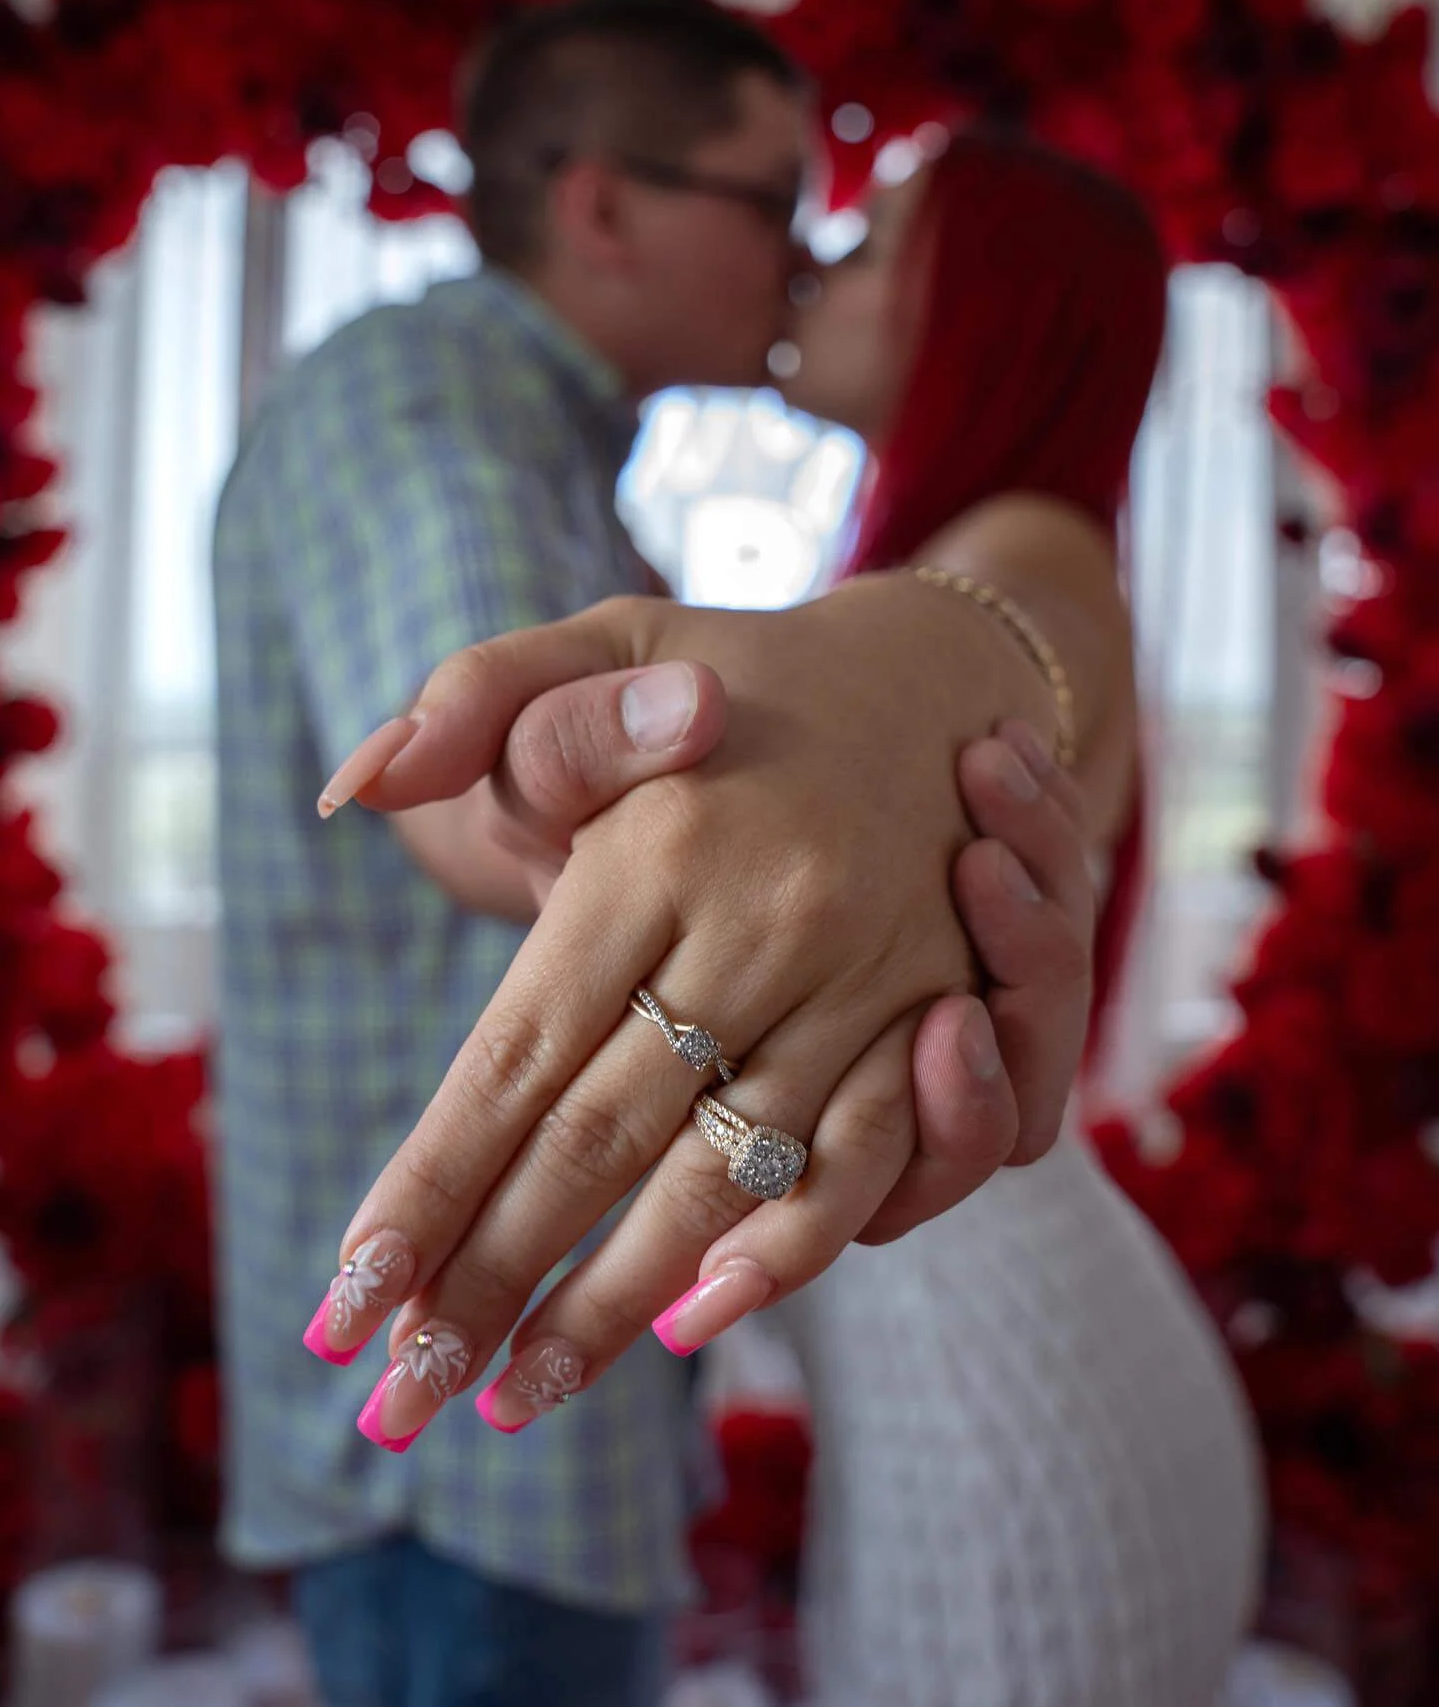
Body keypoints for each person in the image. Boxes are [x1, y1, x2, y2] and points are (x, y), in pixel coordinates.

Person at [212, 0, 1103, 1707]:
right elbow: (485, 800)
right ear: (605, 204)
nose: (806, 251)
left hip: (515, 1401)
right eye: (773, 198)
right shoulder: (431, 402)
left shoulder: (547, 444)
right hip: (453, 1443)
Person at [341, 133, 1263, 1705]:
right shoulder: (963, 539)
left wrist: (902, 653)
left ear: (987, 309)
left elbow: (997, 642)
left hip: (1019, 1439)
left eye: (879, 234)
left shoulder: (1025, 549)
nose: (821, 257)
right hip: (956, 1412)